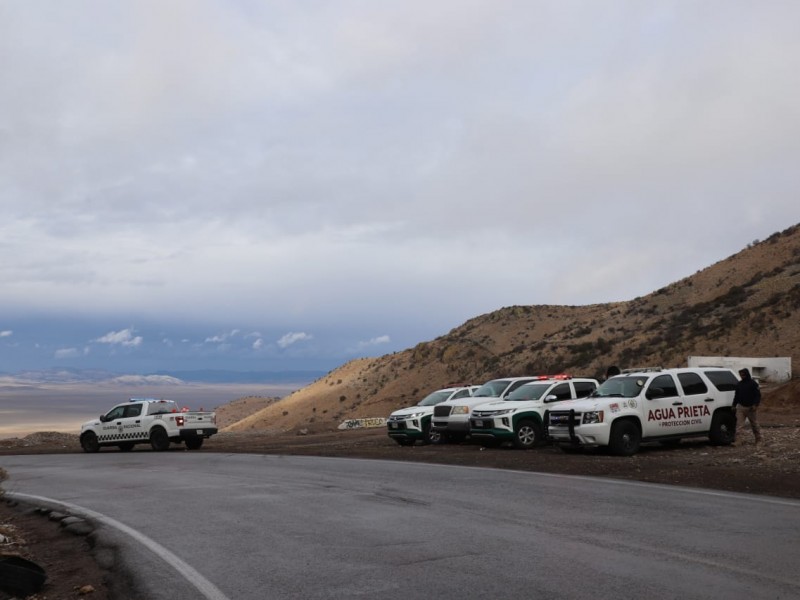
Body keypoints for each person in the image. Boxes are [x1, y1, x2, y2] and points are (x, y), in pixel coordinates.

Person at [732, 368, 762, 445]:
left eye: (743, 374)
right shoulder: (739, 384)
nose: (742, 376)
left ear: (747, 374)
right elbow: (736, 396)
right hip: (741, 407)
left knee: (754, 424)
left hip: (751, 408)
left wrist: (755, 404)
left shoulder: (753, 384)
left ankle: (758, 440)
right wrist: (734, 405)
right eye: (741, 375)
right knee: (739, 425)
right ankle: (738, 441)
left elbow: (757, 395)